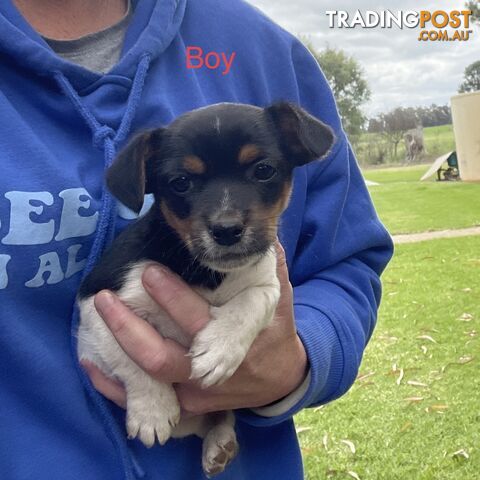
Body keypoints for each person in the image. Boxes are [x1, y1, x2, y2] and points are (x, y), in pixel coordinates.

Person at [0, 0, 393, 479]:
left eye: (263, 171)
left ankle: (217, 425)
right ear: (150, 185)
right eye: (184, 184)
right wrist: (148, 387)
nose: (227, 218)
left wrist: (301, 355)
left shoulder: (261, 49)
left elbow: (345, 263)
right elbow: (97, 309)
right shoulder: (141, 265)